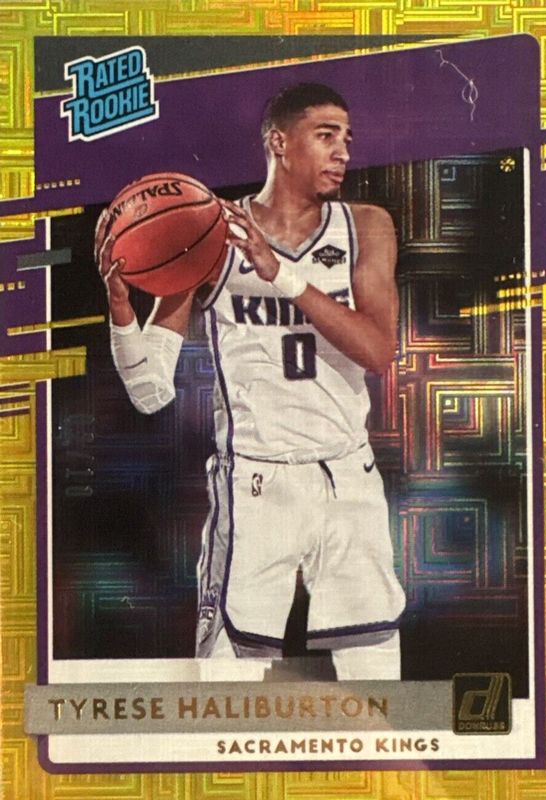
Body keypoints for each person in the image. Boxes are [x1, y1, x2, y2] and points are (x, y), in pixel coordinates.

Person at [96, 82, 406, 681]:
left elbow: (377, 352)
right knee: (227, 688)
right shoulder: (210, 232)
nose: (343, 151)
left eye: (347, 138)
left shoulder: (367, 225)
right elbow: (150, 391)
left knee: (378, 685)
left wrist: (280, 273)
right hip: (256, 484)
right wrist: (121, 313)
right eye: (326, 135)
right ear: (278, 143)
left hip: (349, 478)